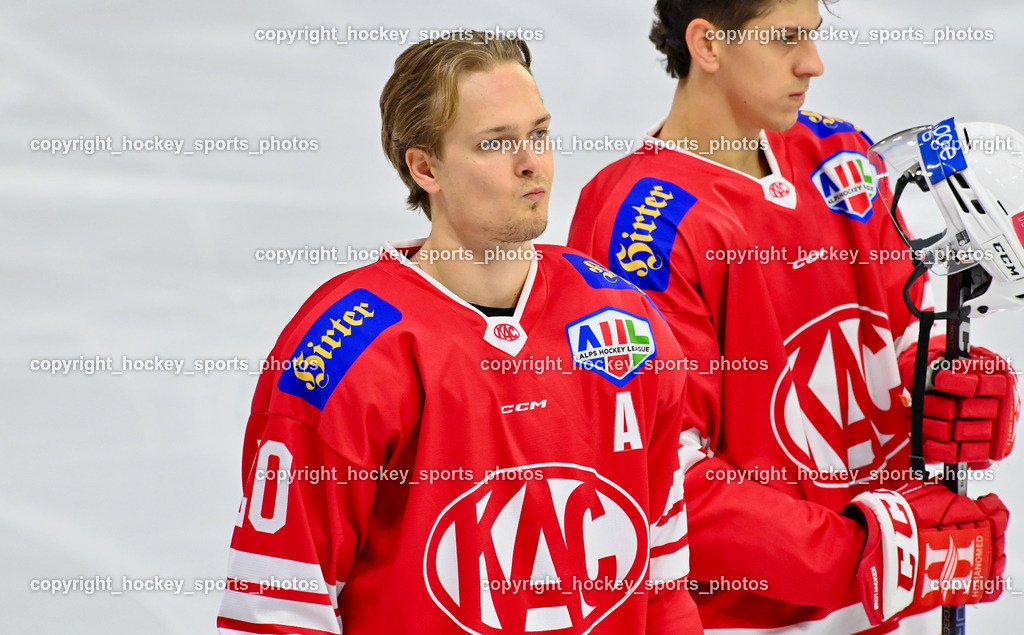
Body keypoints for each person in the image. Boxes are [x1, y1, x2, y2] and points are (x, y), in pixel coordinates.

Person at [217, 32, 706, 634]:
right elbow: (281, 610)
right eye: (496, 143)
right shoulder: (344, 346)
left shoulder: (622, 319)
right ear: (425, 167)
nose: (532, 162)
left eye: (539, 134)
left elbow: (662, 587)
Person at [567, 1, 1017, 633]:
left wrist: (944, 385)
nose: (814, 63)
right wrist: (867, 556)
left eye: (813, 35)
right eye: (786, 39)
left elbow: (899, 327)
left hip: (898, 605)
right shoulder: (638, 224)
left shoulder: (837, 149)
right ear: (708, 45)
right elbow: (661, 480)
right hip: (760, 620)